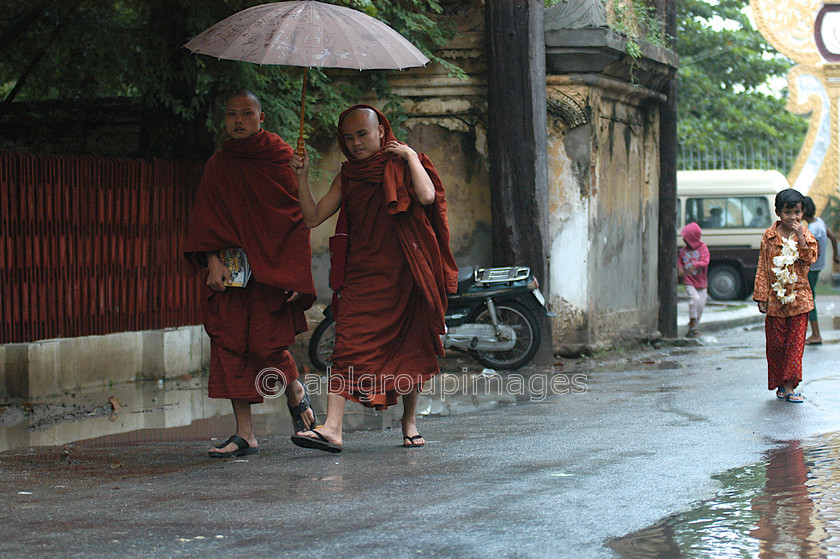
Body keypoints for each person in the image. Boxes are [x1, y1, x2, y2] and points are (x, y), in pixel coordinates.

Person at [289, 104, 457, 452]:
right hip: (363, 275)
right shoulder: (349, 176)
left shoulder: (402, 163)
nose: (355, 144)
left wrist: (410, 156)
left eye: (362, 134)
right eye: (348, 138)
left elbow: (426, 197)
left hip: (406, 274)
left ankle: (409, 420)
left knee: (410, 347)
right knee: (346, 344)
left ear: (381, 130)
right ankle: (333, 427)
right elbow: (313, 216)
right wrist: (301, 177)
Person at [184, 89, 318, 457]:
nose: (238, 121)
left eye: (246, 113)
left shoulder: (281, 159)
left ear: (262, 119)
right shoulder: (219, 164)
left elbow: (295, 220)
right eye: (231, 114)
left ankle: (294, 389)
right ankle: (245, 433)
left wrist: (293, 274)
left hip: (271, 272)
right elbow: (206, 217)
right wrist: (210, 259)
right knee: (229, 348)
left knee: (267, 345)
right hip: (232, 274)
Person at [753, 188, 817, 404]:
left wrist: (800, 237)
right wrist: (761, 295)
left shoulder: (807, 235)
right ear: (778, 213)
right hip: (775, 301)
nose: (793, 218)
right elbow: (763, 266)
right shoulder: (769, 236)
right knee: (776, 345)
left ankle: (790, 387)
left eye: (797, 213)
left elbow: (810, 259)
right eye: (788, 213)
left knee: (795, 345)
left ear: (802, 213)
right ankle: (781, 384)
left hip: (800, 300)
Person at [802, 196, 840, 345]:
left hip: (811, 268)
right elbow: (833, 237)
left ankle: (816, 334)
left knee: (809, 300)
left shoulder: (813, 229)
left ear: (803, 211)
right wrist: (835, 255)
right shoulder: (820, 222)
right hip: (818, 267)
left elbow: (812, 251)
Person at [677, 222, 709, 337]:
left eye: (687, 238)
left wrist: (695, 265)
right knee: (694, 299)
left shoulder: (703, 248)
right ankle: (693, 326)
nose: (684, 241)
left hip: (701, 282)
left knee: (700, 305)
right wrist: (680, 268)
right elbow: (680, 261)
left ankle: (693, 326)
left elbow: (705, 261)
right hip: (689, 280)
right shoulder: (683, 251)